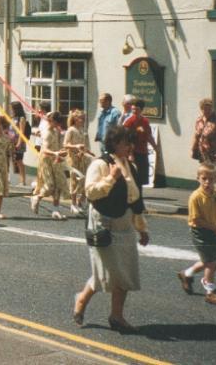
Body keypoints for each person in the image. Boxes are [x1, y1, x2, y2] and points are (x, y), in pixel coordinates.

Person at [72, 125, 149, 333]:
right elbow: (91, 192)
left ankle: (116, 316)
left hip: (124, 224)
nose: (130, 147)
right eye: (126, 143)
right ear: (115, 143)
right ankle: (81, 299)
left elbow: (135, 199)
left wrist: (142, 228)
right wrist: (111, 178)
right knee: (105, 273)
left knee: (124, 271)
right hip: (104, 224)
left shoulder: (129, 165)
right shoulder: (99, 164)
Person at [177, 163, 216, 306]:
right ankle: (210, 292)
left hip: (213, 230)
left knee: (211, 260)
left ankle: (186, 274)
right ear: (198, 178)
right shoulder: (195, 197)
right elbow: (196, 220)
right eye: (204, 178)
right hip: (200, 232)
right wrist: (214, 227)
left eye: (211, 179)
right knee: (211, 262)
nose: (207, 182)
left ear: (215, 180)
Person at [31, 111, 69, 220]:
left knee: (58, 186)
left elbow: (57, 146)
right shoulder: (47, 133)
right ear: (51, 121)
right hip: (46, 161)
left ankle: (55, 210)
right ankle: (37, 197)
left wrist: (61, 152)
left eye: (58, 123)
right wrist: (55, 153)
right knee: (50, 185)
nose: (58, 125)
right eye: (56, 122)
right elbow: (45, 150)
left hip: (55, 161)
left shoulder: (56, 131)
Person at [123, 100, 158, 187]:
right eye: (133, 109)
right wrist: (130, 154)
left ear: (141, 110)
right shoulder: (129, 122)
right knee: (132, 174)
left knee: (142, 176)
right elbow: (126, 139)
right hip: (133, 152)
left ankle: (139, 192)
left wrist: (156, 148)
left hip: (143, 151)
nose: (134, 111)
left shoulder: (145, 121)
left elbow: (149, 136)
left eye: (136, 109)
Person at [64, 110, 93, 216]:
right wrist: (75, 147)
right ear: (75, 119)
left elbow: (87, 146)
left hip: (83, 159)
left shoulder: (84, 130)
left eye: (84, 118)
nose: (83, 120)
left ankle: (80, 201)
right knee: (75, 180)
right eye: (81, 118)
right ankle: (73, 204)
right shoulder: (71, 130)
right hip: (73, 159)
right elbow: (65, 144)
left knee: (85, 180)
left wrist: (87, 152)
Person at [191, 98, 216, 176]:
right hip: (203, 154)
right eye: (205, 109)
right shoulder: (199, 120)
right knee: (205, 175)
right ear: (201, 109)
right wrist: (192, 149)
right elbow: (196, 135)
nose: (207, 111)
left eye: (209, 109)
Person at [9, 101, 30, 186]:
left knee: (19, 160)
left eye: (12, 108)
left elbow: (21, 131)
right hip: (11, 141)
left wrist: (19, 143)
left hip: (18, 141)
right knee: (12, 160)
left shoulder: (21, 119)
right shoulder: (12, 117)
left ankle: (23, 180)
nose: (11, 110)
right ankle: (11, 178)